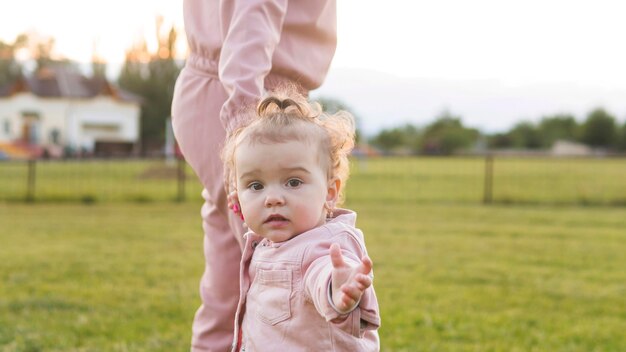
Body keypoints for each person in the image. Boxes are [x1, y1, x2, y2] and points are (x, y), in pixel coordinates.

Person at [171, 1, 338, 350]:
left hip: (237, 90)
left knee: (232, 274)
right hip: (248, 93)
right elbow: (254, 16)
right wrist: (245, 125)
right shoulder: (247, 110)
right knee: (281, 266)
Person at [222, 90, 380, 351]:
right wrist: (244, 209)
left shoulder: (329, 245)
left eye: (293, 182)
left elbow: (320, 271)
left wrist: (337, 288)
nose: (272, 199)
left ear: (330, 192)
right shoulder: (273, 238)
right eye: (256, 185)